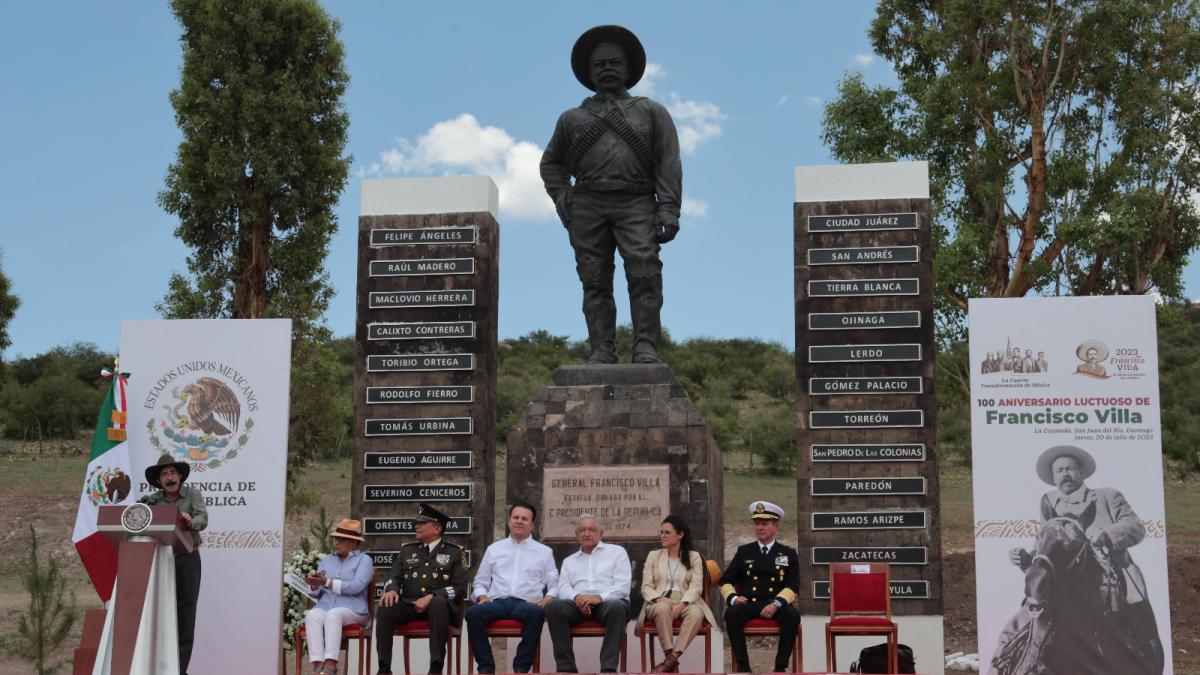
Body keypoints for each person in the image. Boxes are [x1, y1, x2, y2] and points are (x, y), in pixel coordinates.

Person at [540, 24, 683, 365]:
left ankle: (646, 346)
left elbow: (668, 162)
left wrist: (669, 209)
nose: (607, 69)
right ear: (589, 73)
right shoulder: (571, 119)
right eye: (600, 64)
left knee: (645, 272)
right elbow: (551, 165)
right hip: (588, 204)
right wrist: (565, 198)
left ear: (627, 69)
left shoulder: (652, 112)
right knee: (594, 278)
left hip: (637, 201)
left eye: (614, 63)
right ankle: (602, 349)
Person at [1001, 445, 1163, 674]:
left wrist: (1108, 535)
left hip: (1110, 576)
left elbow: (1135, 527)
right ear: (1053, 477)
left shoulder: (1108, 496)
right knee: (1025, 622)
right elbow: (1045, 545)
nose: (1064, 474)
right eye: (1059, 471)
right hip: (1065, 580)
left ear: (1082, 472)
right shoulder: (1048, 502)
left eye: (1070, 469)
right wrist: (1027, 558)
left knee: (1136, 617)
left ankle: (1147, 659)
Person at [374, 503, 467, 675]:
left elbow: (460, 588)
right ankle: (384, 668)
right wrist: (392, 589)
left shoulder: (454, 553)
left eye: (423, 523)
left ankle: (435, 668)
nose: (417, 526)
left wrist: (432, 596)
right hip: (409, 605)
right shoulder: (407, 551)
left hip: (439, 609)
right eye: (417, 522)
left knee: (438, 603)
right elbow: (393, 577)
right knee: (386, 604)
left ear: (437, 528)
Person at [466, 501, 559, 674]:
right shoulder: (494, 549)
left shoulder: (544, 552)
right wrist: (482, 597)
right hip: (497, 602)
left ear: (532, 525)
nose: (519, 521)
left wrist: (545, 600)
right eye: (516, 517)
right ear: (509, 521)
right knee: (473, 614)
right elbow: (480, 582)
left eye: (525, 518)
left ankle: (521, 668)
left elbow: (554, 584)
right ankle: (486, 668)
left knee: (536, 613)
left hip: (526, 603)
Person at [138, 455, 207, 675]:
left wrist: (189, 520)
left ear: (180, 477)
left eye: (173, 473)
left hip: (187, 560)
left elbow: (203, 519)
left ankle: (179, 670)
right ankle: (157, 667)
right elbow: (141, 517)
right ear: (159, 481)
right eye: (165, 474)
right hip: (160, 562)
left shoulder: (193, 495)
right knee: (160, 614)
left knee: (185, 616)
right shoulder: (153, 500)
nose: (170, 478)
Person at [718, 501, 800, 673]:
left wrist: (776, 604)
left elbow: (793, 586)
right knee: (731, 613)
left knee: (792, 615)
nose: (760, 527)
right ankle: (744, 667)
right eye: (757, 523)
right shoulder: (744, 551)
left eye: (765, 523)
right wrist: (733, 598)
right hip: (750, 604)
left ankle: (780, 667)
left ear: (776, 526)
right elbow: (725, 581)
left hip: (775, 604)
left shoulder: (787, 553)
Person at [546, 514, 632, 673]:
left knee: (617, 607)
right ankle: (566, 668)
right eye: (582, 530)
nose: (586, 533)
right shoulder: (569, 560)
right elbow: (563, 587)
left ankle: (608, 668)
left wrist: (597, 598)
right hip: (577, 605)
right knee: (554, 607)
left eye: (591, 529)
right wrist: (578, 598)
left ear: (601, 533)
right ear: (576, 535)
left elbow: (623, 586)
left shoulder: (617, 553)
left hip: (607, 603)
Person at [638, 516, 715, 672]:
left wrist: (683, 604)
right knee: (662, 609)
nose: (663, 536)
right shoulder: (654, 556)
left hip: (686, 600)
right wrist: (660, 599)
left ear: (680, 535)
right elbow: (645, 587)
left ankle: (671, 660)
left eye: (667, 532)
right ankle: (670, 660)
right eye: (661, 532)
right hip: (658, 601)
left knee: (696, 614)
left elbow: (696, 587)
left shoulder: (694, 557)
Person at [302, 519, 374, 675]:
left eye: (342, 539)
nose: (337, 543)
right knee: (312, 615)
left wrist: (326, 582)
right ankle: (318, 664)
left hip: (354, 609)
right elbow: (314, 592)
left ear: (354, 542)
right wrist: (314, 584)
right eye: (336, 538)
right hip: (326, 606)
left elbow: (356, 587)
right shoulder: (327, 560)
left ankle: (331, 664)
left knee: (334, 615)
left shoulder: (364, 560)